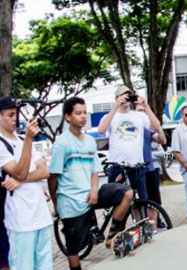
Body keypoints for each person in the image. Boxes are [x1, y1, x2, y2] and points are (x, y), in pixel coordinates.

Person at [48, 97, 134, 270]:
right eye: (78, 113)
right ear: (67, 117)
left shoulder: (89, 141)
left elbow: (95, 170)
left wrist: (94, 189)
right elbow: (52, 178)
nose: (83, 117)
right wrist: (56, 204)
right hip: (71, 202)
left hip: (91, 195)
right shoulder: (62, 143)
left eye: (84, 113)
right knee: (74, 249)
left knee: (127, 193)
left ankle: (112, 236)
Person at [0, 96, 51, 269]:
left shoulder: (21, 140)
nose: (15, 118)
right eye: (10, 115)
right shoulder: (2, 144)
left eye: (16, 114)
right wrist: (29, 139)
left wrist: (20, 180)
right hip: (20, 219)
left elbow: (44, 171)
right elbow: (20, 171)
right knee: (23, 265)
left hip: (41, 215)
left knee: (44, 265)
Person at [97, 85, 161, 200]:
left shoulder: (140, 116)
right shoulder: (110, 116)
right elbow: (101, 130)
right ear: (116, 98)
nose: (126, 97)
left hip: (137, 166)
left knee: (142, 201)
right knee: (117, 202)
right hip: (117, 166)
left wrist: (146, 106)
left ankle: (141, 218)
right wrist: (116, 107)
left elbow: (156, 127)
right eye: (123, 95)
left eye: (129, 95)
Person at [135, 103, 165, 230]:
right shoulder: (129, 129)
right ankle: (142, 230)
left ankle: (153, 231)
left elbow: (162, 140)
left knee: (154, 203)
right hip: (135, 170)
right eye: (139, 111)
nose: (142, 113)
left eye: (143, 111)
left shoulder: (148, 129)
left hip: (149, 169)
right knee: (138, 204)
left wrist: (148, 109)